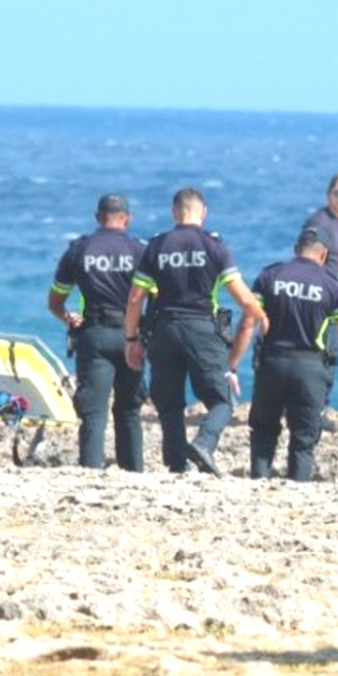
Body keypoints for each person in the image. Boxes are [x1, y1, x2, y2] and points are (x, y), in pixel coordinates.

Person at [122, 187, 268, 476]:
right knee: (222, 399)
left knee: (169, 401)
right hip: (202, 328)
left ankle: (177, 465)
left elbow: (136, 298)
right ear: (204, 213)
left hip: (163, 329)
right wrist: (261, 316)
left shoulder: (157, 245)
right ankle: (204, 443)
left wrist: (131, 339)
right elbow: (242, 297)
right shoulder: (214, 246)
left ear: (175, 212)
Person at [234, 226, 338, 482]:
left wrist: (231, 364)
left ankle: (258, 483)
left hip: (272, 364)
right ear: (324, 255)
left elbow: (247, 323)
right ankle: (298, 490)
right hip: (310, 369)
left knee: (264, 430)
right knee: (303, 439)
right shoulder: (332, 286)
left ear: (296, 250)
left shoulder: (270, 276)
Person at [48, 193, 147, 471]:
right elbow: (156, 295)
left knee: (93, 412)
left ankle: (90, 472)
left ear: (97, 218)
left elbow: (55, 300)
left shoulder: (79, 250)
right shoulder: (140, 251)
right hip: (132, 335)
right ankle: (134, 473)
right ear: (127, 219)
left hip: (94, 334)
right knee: (129, 409)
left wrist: (67, 317)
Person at [302, 172, 338, 433]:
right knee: (323, 354)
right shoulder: (319, 222)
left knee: (333, 355)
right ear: (328, 194)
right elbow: (308, 260)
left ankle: (319, 407)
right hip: (324, 301)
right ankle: (315, 411)